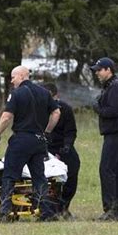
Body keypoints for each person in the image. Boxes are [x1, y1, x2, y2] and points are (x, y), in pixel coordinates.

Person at [0, 66, 60, 222]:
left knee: (9, 176)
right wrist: (47, 132)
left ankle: (4, 212)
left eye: (13, 77)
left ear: (22, 76)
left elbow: (6, 117)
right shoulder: (44, 93)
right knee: (39, 178)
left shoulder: (16, 94)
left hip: (21, 140)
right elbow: (56, 112)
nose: (11, 81)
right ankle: (46, 213)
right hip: (38, 141)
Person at [91, 57, 118, 221]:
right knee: (117, 171)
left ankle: (111, 210)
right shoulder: (112, 85)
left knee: (106, 169)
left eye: (99, 70)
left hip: (117, 133)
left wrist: (97, 107)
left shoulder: (115, 86)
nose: (97, 73)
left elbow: (112, 111)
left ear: (108, 69)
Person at [42, 83, 80, 219]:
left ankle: (64, 207)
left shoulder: (65, 109)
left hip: (63, 146)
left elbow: (71, 131)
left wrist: (67, 146)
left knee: (73, 169)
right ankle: (49, 208)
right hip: (46, 147)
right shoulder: (38, 109)